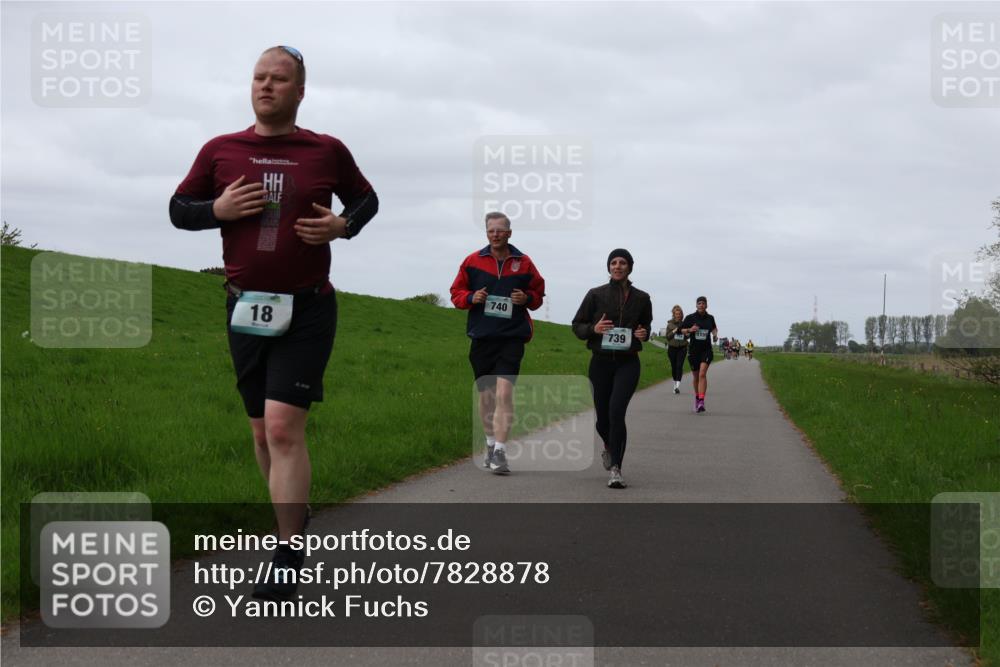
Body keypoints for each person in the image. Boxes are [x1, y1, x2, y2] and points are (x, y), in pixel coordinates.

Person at [169, 46, 378, 601]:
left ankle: (287, 554)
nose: (266, 86)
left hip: (307, 307)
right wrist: (214, 212)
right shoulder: (221, 150)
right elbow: (177, 208)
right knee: (261, 431)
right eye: (259, 77)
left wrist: (342, 225)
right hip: (243, 307)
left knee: (285, 428)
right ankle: (293, 511)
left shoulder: (325, 150)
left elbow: (367, 200)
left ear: (299, 90)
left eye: (278, 79)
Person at [450, 212, 545, 475]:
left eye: (500, 230)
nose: (496, 234)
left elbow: (538, 293)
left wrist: (526, 298)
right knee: (487, 397)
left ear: (509, 233)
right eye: (491, 230)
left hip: (512, 336)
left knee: (504, 393)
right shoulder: (472, 261)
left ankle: (501, 452)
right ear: (486, 233)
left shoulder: (523, 262)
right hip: (482, 337)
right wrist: (472, 297)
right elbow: (455, 294)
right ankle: (490, 444)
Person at [571, 249, 652, 489]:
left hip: (628, 363)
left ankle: (616, 468)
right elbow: (577, 325)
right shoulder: (595, 295)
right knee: (602, 420)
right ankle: (609, 444)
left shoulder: (642, 298)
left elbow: (645, 326)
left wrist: (643, 334)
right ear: (609, 267)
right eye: (613, 263)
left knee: (617, 412)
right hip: (600, 362)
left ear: (630, 267)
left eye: (622, 263)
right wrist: (593, 330)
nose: (617, 266)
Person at [680, 296, 718, 413]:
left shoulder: (710, 318)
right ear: (696, 305)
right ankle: (697, 397)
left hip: (706, 350)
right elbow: (681, 330)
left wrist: (715, 334)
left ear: (706, 305)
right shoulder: (690, 318)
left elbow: (714, 328)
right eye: (699, 303)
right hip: (693, 351)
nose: (701, 305)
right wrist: (690, 330)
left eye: (703, 303)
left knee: (702, 374)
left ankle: (701, 401)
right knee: (696, 376)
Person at [664, 305, 687, 394]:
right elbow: (667, 337)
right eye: (676, 314)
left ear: (682, 315)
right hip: (672, 348)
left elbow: (688, 336)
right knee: (674, 367)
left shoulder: (685, 324)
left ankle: (677, 386)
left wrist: (685, 332)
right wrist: (675, 330)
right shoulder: (670, 324)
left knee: (679, 366)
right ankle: (675, 383)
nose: (678, 315)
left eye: (679, 314)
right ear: (673, 314)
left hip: (682, 348)